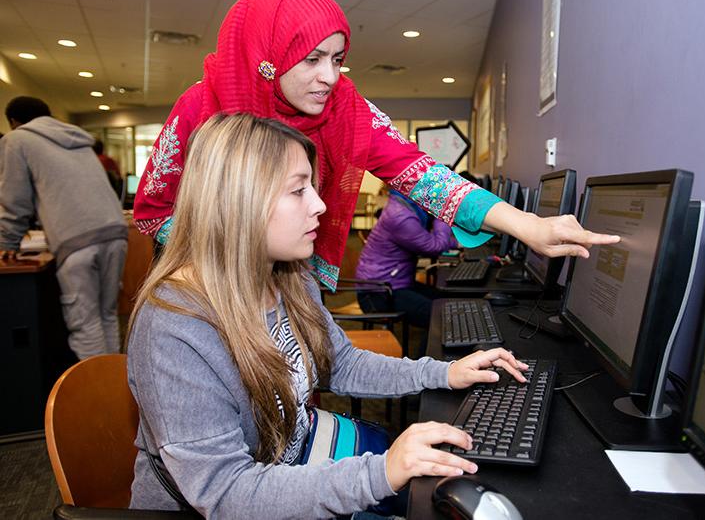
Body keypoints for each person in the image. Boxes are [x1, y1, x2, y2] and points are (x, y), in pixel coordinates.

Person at [126, 113, 529, 518]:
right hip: (229, 503)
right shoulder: (174, 327)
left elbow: (341, 363)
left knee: (435, 485)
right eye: (298, 190)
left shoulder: (288, 274)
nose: (320, 205)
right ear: (238, 200)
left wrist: (443, 373)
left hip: (292, 457)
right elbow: (225, 492)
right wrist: (380, 474)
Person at [133, 0, 619, 292]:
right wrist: (235, 245)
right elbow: (155, 211)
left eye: (338, 59)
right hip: (207, 287)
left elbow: (423, 176)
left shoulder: (346, 106)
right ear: (267, 57)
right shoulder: (202, 106)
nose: (329, 76)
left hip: (289, 284)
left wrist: (528, 225)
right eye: (312, 59)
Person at [0, 96, 128, 358]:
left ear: (14, 122)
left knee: (86, 324)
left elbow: (15, 201)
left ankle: (94, 396)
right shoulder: (79, 141)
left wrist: (6, 245)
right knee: (107, 315)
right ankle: (113, 388)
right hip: (116, 232)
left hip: (76, 239)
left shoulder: (17, 140)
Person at [355, 189, 455, 331]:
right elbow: (434, 246)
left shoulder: (402, 205)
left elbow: (424, 240)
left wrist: (455, 244)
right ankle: (427, 354)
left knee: (445, 300)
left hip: (393, 282)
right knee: (439, 315)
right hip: (378, 293)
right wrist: (442, 213)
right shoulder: (401, 216)